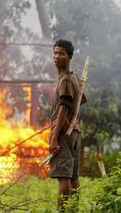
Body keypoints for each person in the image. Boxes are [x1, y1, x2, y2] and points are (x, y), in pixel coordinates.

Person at [49, 39, 86, 211]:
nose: (57, 56)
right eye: (55, 53)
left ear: (69, 57)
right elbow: (80, 100)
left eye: (61, 53)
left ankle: (63, 211)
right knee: (73, 177)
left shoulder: (65, 80)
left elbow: (64, 107)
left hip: (64, 133)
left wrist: (54, 138)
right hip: (75, 131)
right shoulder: (74, 78)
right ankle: (74, 210)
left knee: (64, 177)